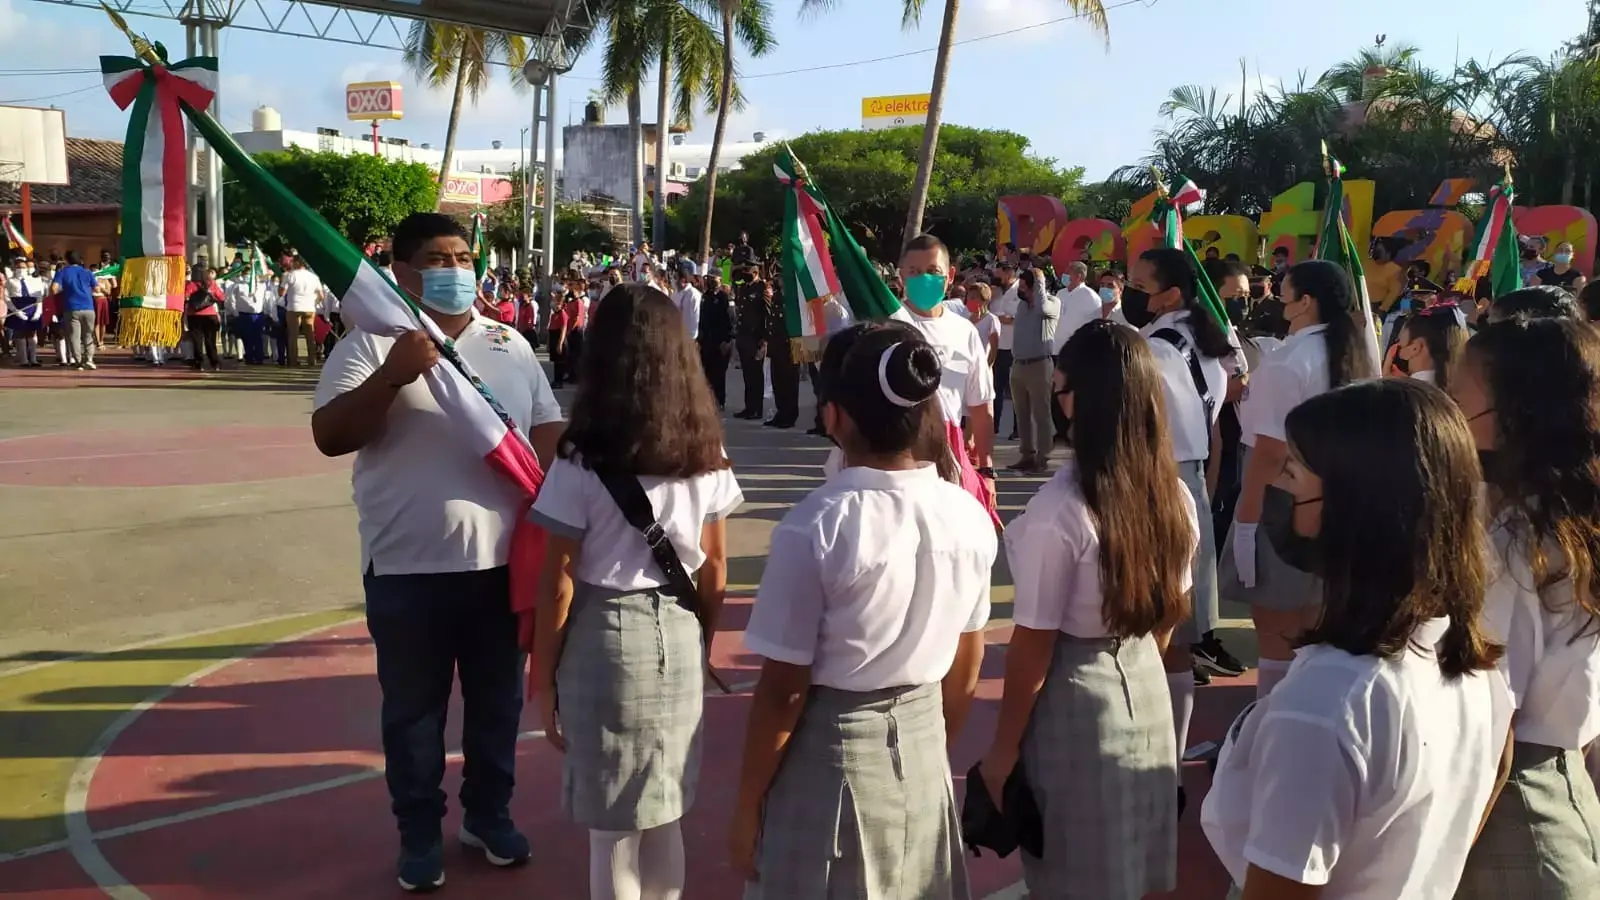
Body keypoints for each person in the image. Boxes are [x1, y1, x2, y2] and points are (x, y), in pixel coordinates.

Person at [310, 212, 565, 892]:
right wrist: (393, 376)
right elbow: (331, 435)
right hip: (407, 571)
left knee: (496, 708)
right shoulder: (370, 343)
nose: (453, 269)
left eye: (461, 256)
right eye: (436, 258)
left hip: (503, 572)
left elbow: (547, 435)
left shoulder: (509, 343)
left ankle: (489, 815)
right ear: (401, 270)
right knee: (413, 717)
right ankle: (418, 834)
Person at [1202, 378, 1513, 899]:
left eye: (1293, 473)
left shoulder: (1330, 700)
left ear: (1351, 507)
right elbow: (1498, 767)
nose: (1278, 486)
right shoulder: (1464, 651)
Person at [731, 324, 994, 898]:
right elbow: (967, 663)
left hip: (833, 749)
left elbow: (783, 691)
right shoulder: (968, 514)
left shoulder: (816, 525)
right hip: (924, 743)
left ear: (833, 417)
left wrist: (748, 804)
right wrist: (928, 743)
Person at [530, 283, 740, 900]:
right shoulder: (707, 450)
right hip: (677, 628)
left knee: (612, 827)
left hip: (604, 634)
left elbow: (559, 583)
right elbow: (717, 567)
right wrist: (700, 642)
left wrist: (544, 679)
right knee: (665, 809)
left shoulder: (581, 455)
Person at [982, 319, 1193, 899]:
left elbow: (1033, 645)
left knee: (1073, 872)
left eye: (1063, 387)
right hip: (1145, 682)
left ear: (1085, 400)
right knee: (1127, 864)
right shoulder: (1174, 494)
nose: (1056, 397)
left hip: (1078, 699)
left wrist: (1002, 752)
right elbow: (1175, 608)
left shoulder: (1061, 509)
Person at [1451, 317, 1600, 898]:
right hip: (1564, 793)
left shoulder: (1516, 546)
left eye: (1459, 398)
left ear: (1513, 416)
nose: (1450, 414)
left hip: (1508, 813)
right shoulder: (1568, 522)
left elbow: (1492, 724)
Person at [1221, 259, 1377, 700]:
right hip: (1342, 499)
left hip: (1284, 501)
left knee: (1275, 634)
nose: (1273, 297)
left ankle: (1268, 735)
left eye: (1283, 290)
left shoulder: (1288, 360)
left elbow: (1269, 452)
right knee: (1319, 630)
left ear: (1304, 302)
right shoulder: (1357, 353)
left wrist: (1247, 522)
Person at [899, 234, 998, 513]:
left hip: (950, 457)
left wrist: (987, 470)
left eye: (933, 272)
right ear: (902, 275)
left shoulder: (964, 330)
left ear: (950, 275)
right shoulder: (888, 326)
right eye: (914, 272)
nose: (923, 279)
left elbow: (981, 404)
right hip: (900, 458)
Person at [1008, 268, 1059, 473]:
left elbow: (1042, 308)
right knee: (1022, 414)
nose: (1019, 289)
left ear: (1034, 286)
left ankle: (1043, 456)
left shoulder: (1052, 303)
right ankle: (1026, 454)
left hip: (1039, 365)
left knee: (1041, 413)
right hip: (1019, 365)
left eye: (1023, 285)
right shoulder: (1021, 306)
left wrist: (1039, 281)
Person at [1389, 302, 1467, 386]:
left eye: (1399, 341)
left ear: (1415, 348)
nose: (1398, 346)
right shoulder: (1465, 391)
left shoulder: (1402, 395)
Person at [48, 252, 98, 371]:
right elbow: (97, 288)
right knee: (88, 335)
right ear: (80, 260)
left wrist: (62, 290)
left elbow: (54, 289)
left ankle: (78, 361)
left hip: (71, 308)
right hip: (88, 307)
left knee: (74, 336)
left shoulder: (62, 272)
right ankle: (89, 359)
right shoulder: (87, 272)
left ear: (67, 260)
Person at [763, 279, 801, 429]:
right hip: (776, 345)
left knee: (789, 382)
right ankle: (781, 412)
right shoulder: (778, 296)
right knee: (777, 381)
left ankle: (789, 415)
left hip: (790, 346)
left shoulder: (796, 297)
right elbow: (772, 321)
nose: (780, 280)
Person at [732, 271, 769, 420]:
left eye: (746, 268)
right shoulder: (743, 288)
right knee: (747, 375)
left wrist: (764, 339)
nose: (743, 272)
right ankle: (749, 407)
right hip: (744, 337)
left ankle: (757, 409)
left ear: (755, 271)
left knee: (756, 375)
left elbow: (767, 313)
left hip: (756, 338)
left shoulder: (762, 287)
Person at [989, 262, 1020, 438]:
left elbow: (1021, 316)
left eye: (999, 273)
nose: (997, 276)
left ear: (1008, 273)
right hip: (998, 346)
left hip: (1015, 346)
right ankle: (993, 425)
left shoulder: (1020, 291)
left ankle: (1018, 428)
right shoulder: (996, 292)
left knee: (1016, 389)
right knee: (996, 388)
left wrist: (1010, 319)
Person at [697, 274, 734, 410]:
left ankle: (719, 401)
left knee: (719, 374)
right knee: (707, 373)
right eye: (710, 279)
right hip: (706, 341)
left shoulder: (724, 297)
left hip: (720, 342)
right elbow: (701, 319)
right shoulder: (705, 296)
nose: (711, 281)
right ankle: (707, 400)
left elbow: (730, 319)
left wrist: (727, 339)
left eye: (714, 279)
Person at [281, 254, 324, 366]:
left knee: (293, 335)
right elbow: (321, 295)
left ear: (296, 263)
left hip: (294, 307)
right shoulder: (314, 277)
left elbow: (281, 293)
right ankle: (311, 360)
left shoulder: (289, 275)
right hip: (309, 307)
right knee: (310, 335)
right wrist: (314, 303)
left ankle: (293, 360)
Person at [1051, 260, 1101, 353]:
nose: (1064, 275)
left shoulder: (1090, 296)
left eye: (1067, 273)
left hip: (1075, 349)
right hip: (1055, 347)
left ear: (1078, 276)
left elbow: (1096, 323)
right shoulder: (1060, 293)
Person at [5, 255, 44, 367]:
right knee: (20, 334)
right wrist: (15, 310)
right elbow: (7, 297)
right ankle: (23, 360)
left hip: (32, 306)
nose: (21, 270)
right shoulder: (11, 281)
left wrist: (38, 311)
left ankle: (33, 359)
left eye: (23, 267)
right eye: (18, 267)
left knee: (32, 333)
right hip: (18, 307)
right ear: (14, 268)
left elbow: (39, 296)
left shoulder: (34, 280)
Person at [184, 267, 223, 372]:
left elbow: (186, 297)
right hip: (210, 315)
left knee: (197, 341)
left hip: (194, 315)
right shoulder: (212, 284)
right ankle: (215, 363)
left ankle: (199, 363)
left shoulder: (191, 284)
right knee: (210, 341)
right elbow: (222, 297)